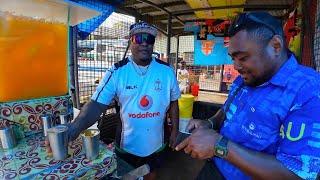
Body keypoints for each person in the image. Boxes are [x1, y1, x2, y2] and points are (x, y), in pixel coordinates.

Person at [175, 11, 320, 180]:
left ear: (275, 46)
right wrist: (209, 123)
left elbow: (296, 174)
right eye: (233, 58)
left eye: (243, 57)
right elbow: (226, 112)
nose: (236, 66)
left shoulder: (308, 91)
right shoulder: (246, 77)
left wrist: (219, 145)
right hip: (215, 168)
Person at [68, 22, 181, 180]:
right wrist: (74, 128)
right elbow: (95, 104)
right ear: (130, 40)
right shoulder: (117, 72)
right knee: (127, 176)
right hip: (127, 146)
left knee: (152, 174)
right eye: (139, 38)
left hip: (157, 143)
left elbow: (174, 102)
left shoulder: (167, 71)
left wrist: (175, 130)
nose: (144, 43)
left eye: (149, 39)